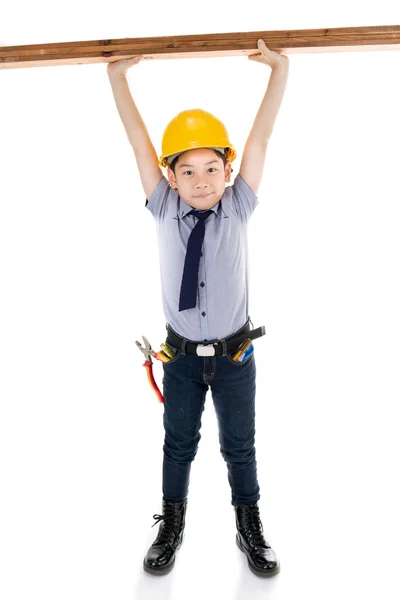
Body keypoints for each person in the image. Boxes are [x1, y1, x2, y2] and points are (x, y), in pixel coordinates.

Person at [107, 39, 289, 577]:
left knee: (240, 446)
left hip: (234, 357)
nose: (202, 180)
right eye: (187, 171)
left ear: (228, 171)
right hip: (182, 357)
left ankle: (249, 522)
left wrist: (279, 71)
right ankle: (172, 521)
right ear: (170, 177)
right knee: (178, 444)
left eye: (212, 168)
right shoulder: (163, 207)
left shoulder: (238, 205)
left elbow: (262, 135)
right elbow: (138, 141)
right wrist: (118, 79)